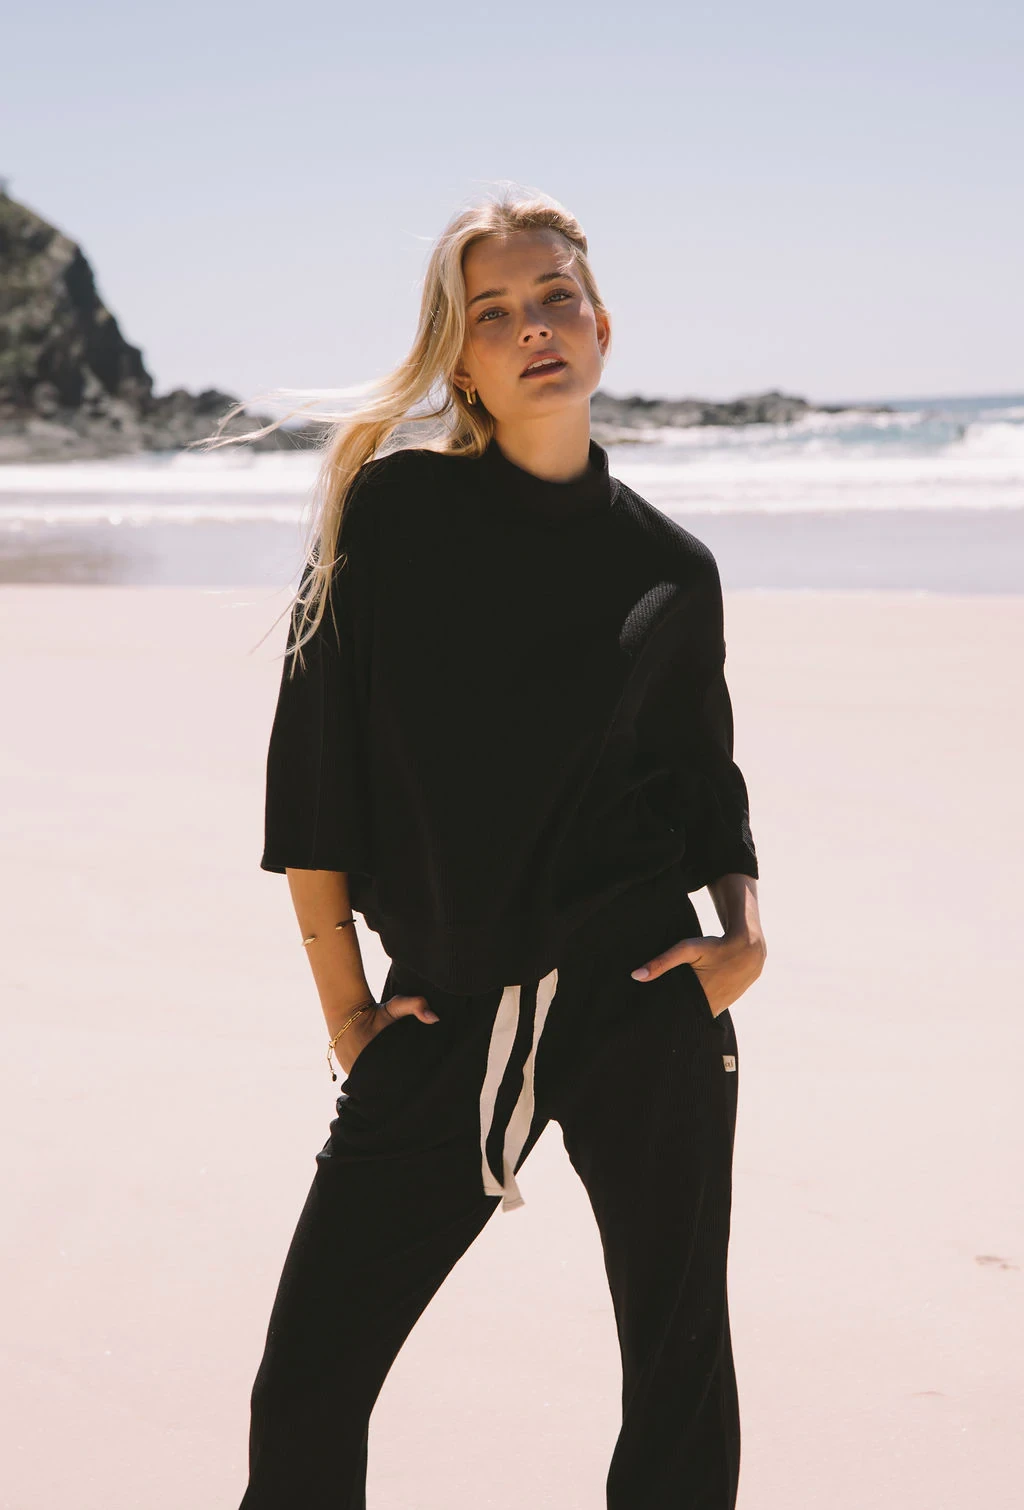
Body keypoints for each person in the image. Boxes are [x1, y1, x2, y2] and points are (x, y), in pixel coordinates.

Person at [235, 187, 766, 1509]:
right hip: (452, 1002)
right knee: (306, 1387)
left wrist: (743, 933)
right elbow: (316, 777)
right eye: (493, 313)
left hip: (645, 996)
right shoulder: (395, 514)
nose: (533, 326)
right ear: (460, 360)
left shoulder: (675, 568)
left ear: (601, 326)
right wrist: (347, 1008)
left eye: (554, 299)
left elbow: (706, 786)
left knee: (680, 1382)